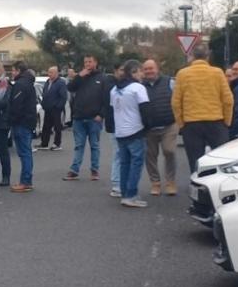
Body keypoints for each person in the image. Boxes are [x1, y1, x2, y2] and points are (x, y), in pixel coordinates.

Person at [172, 40, 233, 181]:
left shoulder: (182, 74)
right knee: (221, 160)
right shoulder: (217, 73)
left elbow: (176, 102)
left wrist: (181, 123)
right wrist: (227, 122)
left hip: (191, 123)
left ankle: (198, 193)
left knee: (195, 162)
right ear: (208, 56)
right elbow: (228, 100)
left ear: (192, 56)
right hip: (216, 122)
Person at [109, 60, 151, 208]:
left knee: (124, 163)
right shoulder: (138, 88)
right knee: (136, 163)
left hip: (120, 131)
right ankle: (131, 194)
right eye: (140, 71)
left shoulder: (114, 89)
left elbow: (114, 109)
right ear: (133, 72)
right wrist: (147, 127)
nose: (143, 74)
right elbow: (145, 110)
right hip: (135, 130)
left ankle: (124, 192)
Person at [63, 56, 109, 181]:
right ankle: (74, 170)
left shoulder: (102, 78)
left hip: (94, 118)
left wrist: (101, 114)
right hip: (79, 117)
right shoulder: (80, 77)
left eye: (90, 62)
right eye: (85, 62)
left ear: (95, 62)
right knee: (79, 145)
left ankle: (95, 171)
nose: (87, 64)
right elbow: (70, 88)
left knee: (94, 146)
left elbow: (107, 98)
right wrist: (79, 76)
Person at [139, 59, 180, 197]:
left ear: (157, 69)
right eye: (146, 69)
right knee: (150, 156)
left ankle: (170, 182)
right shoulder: (139, 86)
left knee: (169, 151)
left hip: (169, 124)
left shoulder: (170, 82)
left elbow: (179, 99)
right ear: (143, 71)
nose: (149, 71)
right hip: (148, 128)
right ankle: (155, 183)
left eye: (151, 68)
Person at [8, 62, 39, 192]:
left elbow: (16, 106)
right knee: (26, 152)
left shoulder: (21, 84)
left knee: (25, 153)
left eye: (13, 71)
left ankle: (25, 182)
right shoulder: (28, 83)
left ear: (19, 70)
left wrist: (11, 119)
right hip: (27, 121)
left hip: (21, 123)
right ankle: (27, 181)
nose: (12, 73)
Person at [37, 65, 67, 150]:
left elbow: (63, 97)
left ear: (56, 73)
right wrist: (43, 103)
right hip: (47, 108)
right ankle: (44, 143)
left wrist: (58, 106)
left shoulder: (60, 83)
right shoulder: (47, 81)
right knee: (46, 126)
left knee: (57, 127)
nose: (49, 74)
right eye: (48, 72)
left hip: (56, 109)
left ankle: (57, 144)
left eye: (51, 72)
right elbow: (44, 93)